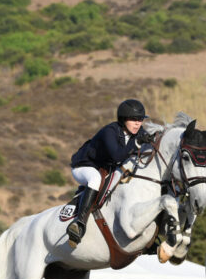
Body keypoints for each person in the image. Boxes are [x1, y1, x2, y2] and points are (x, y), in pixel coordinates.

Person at [67, 99, 156, 247]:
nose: (137, 124)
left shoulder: (138, 131)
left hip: (106, 168)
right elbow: (117, 156)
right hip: (85, 166)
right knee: (94, 179)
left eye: (140, 120)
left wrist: (152, 141)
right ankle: (79, 223)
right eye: (133, 120)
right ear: (123, 119)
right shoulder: (110, 131)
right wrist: (137, 143)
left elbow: (148, 146)